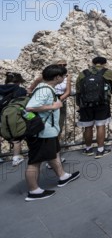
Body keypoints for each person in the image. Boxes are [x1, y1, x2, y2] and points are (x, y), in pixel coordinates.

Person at [24, 64, 80, 201]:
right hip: (42, 132)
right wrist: (53, 106)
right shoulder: (45, 90)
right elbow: (29, 107)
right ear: (57, 77)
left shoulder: (47, 88)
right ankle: (34, 191)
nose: (65, 78)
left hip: (49, 131)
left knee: (54, 154)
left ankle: (63, 176)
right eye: (64, 76)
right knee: (35, 161)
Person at [76, 57, 112, 158]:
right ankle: (100, 150)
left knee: (88, 127)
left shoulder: (84, 73)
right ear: (104, 63)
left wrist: (79, 103)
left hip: (85, 105)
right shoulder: (108, 72)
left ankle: (88, 149)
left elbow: (78, 88)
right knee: (100, 126)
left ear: (93, 63)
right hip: (102, 104)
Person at [30, 58, 71, 168]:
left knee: (58, 127)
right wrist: (54, 104)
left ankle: (61, 173)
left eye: (65, 64)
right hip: (49, 107)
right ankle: (52, 161)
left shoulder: (66, 76)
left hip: (58, 101)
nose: (63, 66)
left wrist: (59, 100)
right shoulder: (45, 87)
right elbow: (30, 107)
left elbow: (68, 91)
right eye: (60, 64)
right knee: (35, 161)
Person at [0, 72, 28, 166]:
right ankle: (16, 157)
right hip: (12, 116)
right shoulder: (20, 90)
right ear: (18, 82)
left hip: (0, 116)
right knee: (16, 137)